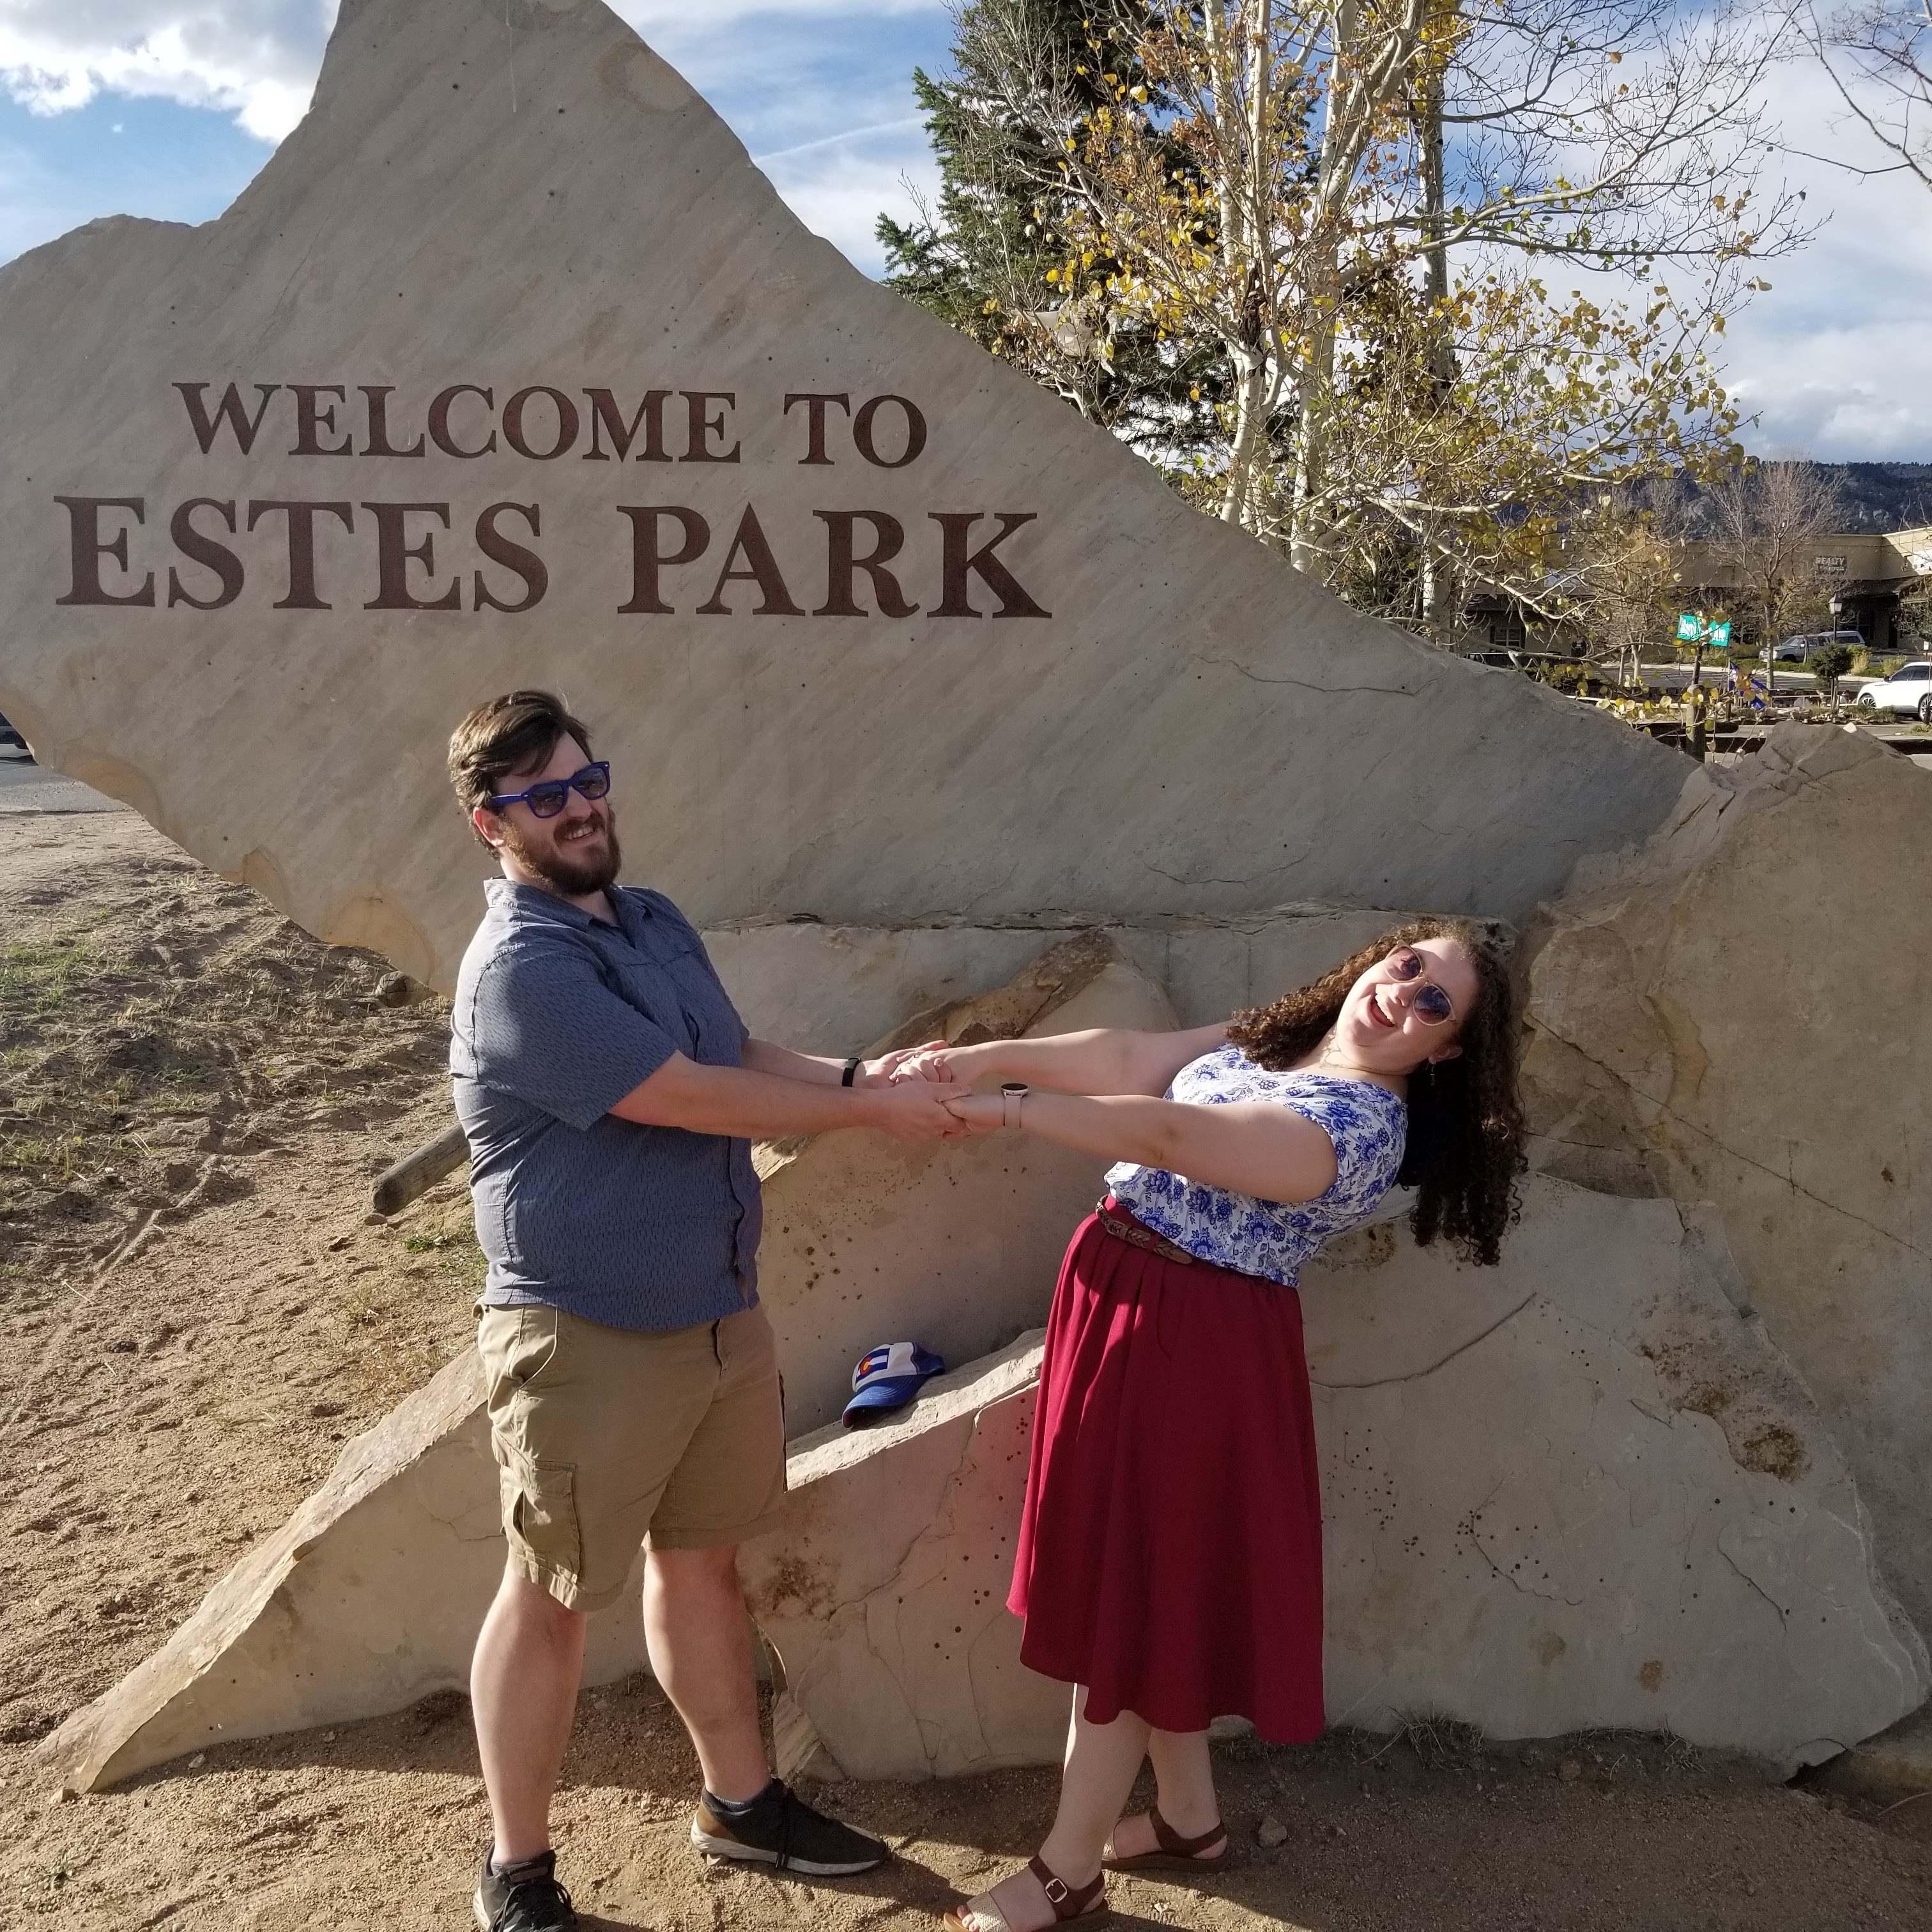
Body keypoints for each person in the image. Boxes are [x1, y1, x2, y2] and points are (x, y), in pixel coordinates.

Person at [445, 691, 965, 1932]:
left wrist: (855, 1075)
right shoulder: (520, 970)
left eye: (587, 779)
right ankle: (517, 1873)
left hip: (720, 1316)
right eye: (544, 797)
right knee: (553, 1595)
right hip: (587, 1336)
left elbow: (733, 1047)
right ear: (490, 823)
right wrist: (871, 1118)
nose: (580, 807)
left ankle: (741, 1806)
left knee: (704, 1570)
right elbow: (685, 1097)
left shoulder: (651, 918)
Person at [894, 921, 1524, 1932]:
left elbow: (1172, 1138)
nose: (1402, 995)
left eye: (1435, 1004)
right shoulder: (1289, 1039)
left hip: (1196, 1345)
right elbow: (1134, 1061)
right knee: (1143, 1584)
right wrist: (979, 1054)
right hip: (1120, 1295)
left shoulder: (1364, 1129)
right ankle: (1188, 1818)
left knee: (1134, 1600)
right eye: (1408, 966)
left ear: (1447, 1050)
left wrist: (1004, 1111)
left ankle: (1068, 1871)